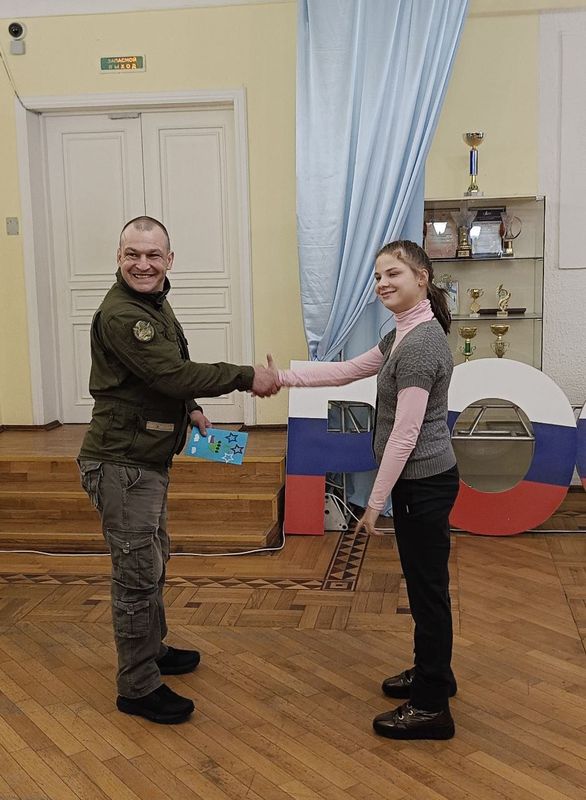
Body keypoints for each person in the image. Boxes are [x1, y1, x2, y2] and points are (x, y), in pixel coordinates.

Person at [78, 216, 278, 725]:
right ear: (118, 257)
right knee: (136, 576)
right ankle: (137, 686)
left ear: (169, 260)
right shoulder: (125, 314)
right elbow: (170, 372)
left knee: (153, 562)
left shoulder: (154, 301)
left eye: (153, 255)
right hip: (123, 464)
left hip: (146, 460)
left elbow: (161, 374)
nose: (143, 264)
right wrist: (247, 376)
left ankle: (153, 650)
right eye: (132, 254)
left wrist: (190, 408)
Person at [270, 240, 460, 740]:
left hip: (424, 484)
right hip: (421, 483)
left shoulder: (420, 346)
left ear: (422, 277)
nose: (382, 284)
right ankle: (434, 674)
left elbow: (406, 435)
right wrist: (283, 377)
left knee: (427, 593)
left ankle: (432, 707)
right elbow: (349, 370)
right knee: (425, 588)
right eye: (377, 276)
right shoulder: (402, 333)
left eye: (393, 273)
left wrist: (374, 504)